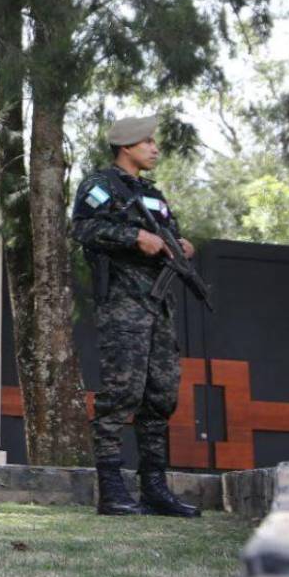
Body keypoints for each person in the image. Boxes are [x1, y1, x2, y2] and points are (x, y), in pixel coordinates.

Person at [71, 115, 201, 518]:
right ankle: (111, 490)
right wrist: (133, 237)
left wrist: (179, 243)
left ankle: (155, 489)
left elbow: (168, 234)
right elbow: (82, 228)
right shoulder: (99, 186)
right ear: (126, 146)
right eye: (148, 142)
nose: (155, 148)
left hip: (158, 305)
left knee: (161, 395)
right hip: (124, 304)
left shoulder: (153, 194)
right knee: (120, 395)